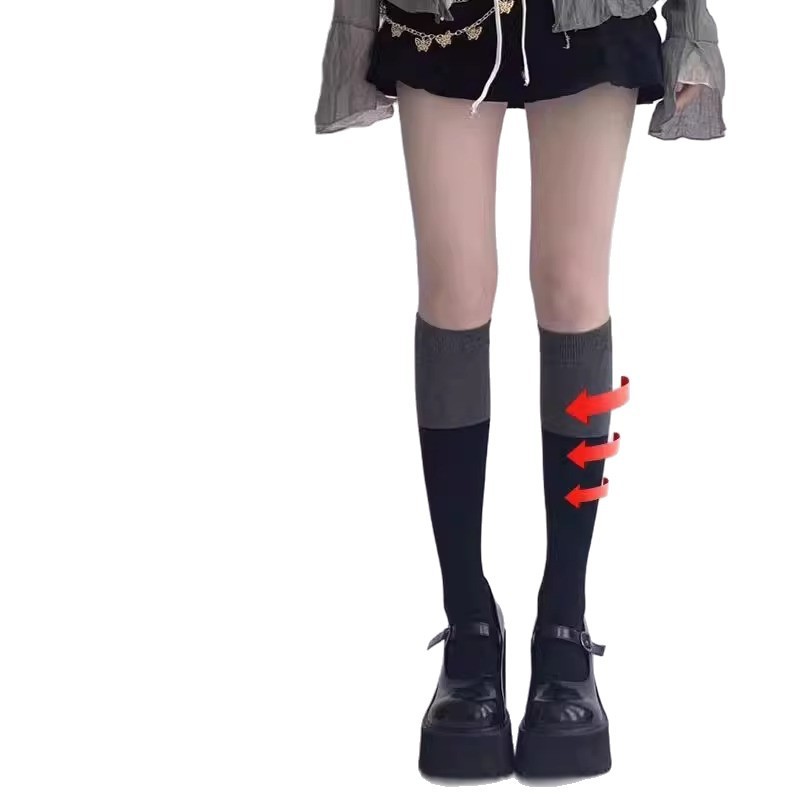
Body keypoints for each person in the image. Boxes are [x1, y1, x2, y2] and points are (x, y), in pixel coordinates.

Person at [314, 0, 725, 781]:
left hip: (592, 14)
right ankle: (469, 617)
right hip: (444, 18)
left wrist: (691, 31)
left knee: (572, 287)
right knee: (454, 287)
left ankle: (563, 619)